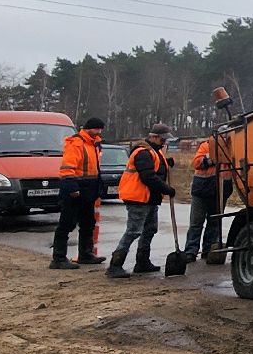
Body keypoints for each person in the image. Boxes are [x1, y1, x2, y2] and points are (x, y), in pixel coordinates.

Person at [107, 123, 177, 278]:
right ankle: (115, 265)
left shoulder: (154, 151)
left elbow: (155, 168)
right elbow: (148, 177)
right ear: (153, 137)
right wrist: (167, 189)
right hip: (138, 198)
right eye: (162, 139)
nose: (164, 142)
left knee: (150, 230)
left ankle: (142, 262)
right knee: (133, 231)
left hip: (150, 199)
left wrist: (167, 164)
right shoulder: (142, 152)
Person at [50, 117, 106, 270]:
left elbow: (95, 169)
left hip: (89, 189)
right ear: (89, 128)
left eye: (100, 129)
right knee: (66, 224)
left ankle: (85, 254)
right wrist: (72, 188)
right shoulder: (76, 143)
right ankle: (59, 258)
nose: (99, 132)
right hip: (75, 188)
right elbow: (68, 168)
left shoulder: (94, 144)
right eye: (97, 129)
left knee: (88, 224)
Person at [183, 136, 231, 263]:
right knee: (196, 223)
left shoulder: (233, 148)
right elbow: (197, 163)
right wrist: (212, 159)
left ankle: (208, 250)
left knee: (214, 223)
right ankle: (190, 252)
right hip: (202, 190)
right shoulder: (206, 146)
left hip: (221, 191)